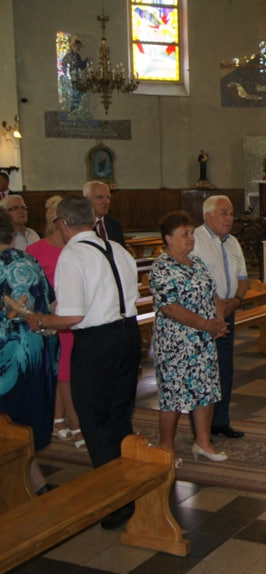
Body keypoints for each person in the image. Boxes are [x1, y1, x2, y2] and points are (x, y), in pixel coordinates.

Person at [25, 194, 140, 530]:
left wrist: (42, 320)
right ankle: (131, 484)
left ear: (63, 223)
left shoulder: (73, 254)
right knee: (120, 415)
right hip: (128, 336)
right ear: (91, 219)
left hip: (97, 343)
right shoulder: (117, 248)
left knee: (95, 421)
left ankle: (115, 500)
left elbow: (74, 315)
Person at [149, 211, 230, 467]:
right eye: (184, 234)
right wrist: (206, 324)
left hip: (203, 340)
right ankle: (167, 446)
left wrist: (218, 321)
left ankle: (203, 442)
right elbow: (170, 307)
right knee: (173, 395)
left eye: (192, 233)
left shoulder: (196, 263)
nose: (190, 238)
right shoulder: (161, 267)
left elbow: (212, 293)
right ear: (168, 239)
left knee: (206, 390)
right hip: (176, 342)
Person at [0, 207, 59, 495]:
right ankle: (35, 481)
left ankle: (23, 483)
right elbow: (48, 304)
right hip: (35, 350)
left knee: (8, 422)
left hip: (6, 356)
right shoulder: (29, 261)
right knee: (23, 420)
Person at [26, 195, 85, 450]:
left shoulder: (75, 249)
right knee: (63, 372)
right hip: (54, 318)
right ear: (55, 222)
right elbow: (32, 288)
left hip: (74, 314)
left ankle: (58, 418)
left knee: (69, 370)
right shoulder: (35, 250)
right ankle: (75, 422)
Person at [191, 195, 249, 440]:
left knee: (224, 369)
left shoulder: (233, 242)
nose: (229, 218)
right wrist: (217, 310)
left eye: (231, 213)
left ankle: (221, 420)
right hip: (203, 316)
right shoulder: (195, 240)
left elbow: (243, 278)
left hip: (228, 312)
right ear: (208, 216)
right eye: (223, 213)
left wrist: (234, 302)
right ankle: (201, 428)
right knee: (203, 372)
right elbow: (197, 280)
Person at [83, 180, 126, 248]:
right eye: (100, 197)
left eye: (108, 197)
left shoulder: (115, 225)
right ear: (87, 200)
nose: (106, 202)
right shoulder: (81, 226)